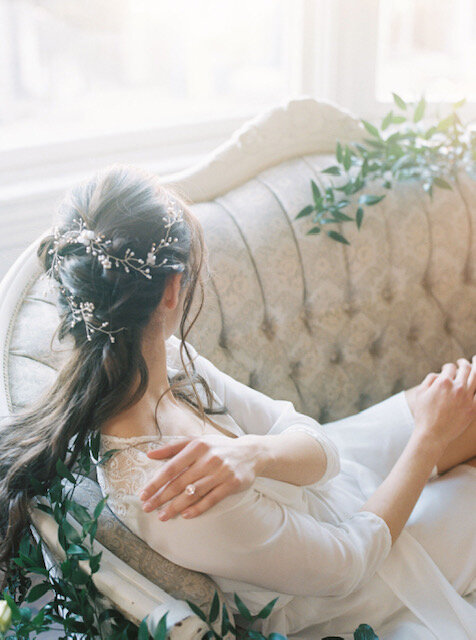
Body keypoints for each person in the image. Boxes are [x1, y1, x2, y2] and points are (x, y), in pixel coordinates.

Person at [1, 164, 475, 639]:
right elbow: (345, 564)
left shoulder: (171, 361)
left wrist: (252, 453)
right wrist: (430, 438)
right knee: (451, 439)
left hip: (329, 481)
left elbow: (317, 447)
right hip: (348, 577)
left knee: (462, 394)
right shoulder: (164, 491)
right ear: (171, 290)